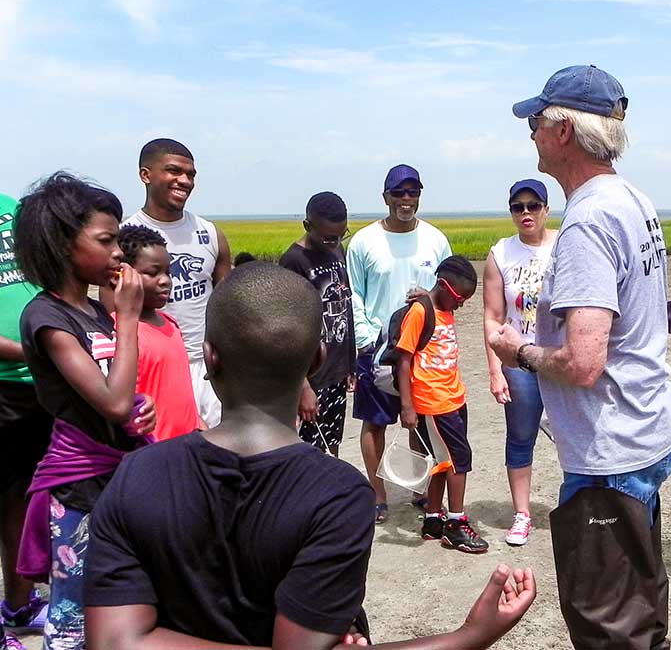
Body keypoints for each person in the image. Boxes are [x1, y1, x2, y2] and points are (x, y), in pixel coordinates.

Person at [84, 261, 536, 650]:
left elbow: (115, 640)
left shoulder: (136, 475)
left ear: (210, 357)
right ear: (317, 361)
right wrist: (469, 636)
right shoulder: (337, 496)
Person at [490, 65, 671, 650]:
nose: (530, 132)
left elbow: (582, 363)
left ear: (564, 132)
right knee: (641, 595)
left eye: (537, 121)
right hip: (645, 426)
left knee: (606, 619)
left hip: (609, 452)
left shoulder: (588, 221)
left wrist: (515, 348)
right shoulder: (632, 198)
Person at [12, 173, 156, 650]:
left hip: (113, 478)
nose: (119, 251)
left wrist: (142, 407)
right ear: (61, 244)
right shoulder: (47, 318)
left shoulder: (94, 312)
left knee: (118, 597)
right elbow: (111, 403)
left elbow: (117, 394)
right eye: (106, 240)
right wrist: (129, 319)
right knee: (73, 615)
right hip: (77, 489)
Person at [347, 164, 451, 523]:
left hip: (423, 351)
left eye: (413, 193)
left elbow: (447, 290)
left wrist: (431, 297)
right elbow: (354, 295)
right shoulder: (363, 241)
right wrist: (364, 341)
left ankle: (419, 490)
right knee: (375, 423)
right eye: (398, 193)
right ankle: (378, 494)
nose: (406, 200)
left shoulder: (436, 239)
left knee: (420, 424)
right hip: (377, 349)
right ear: (386, 197)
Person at [122, 138, 232, 428]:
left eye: (191, 174)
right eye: (173, 171)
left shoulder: (209, 233)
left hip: (211, 367)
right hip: (159, 369)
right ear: (145, 175)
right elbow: (117, 319)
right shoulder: (126, 238)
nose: (184, 181)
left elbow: (230, 305)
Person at [394, 256, 489, 554]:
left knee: (441, 462)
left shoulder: (443, 307)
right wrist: (407, 406)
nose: (461, 305)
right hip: (433, 403)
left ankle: (434, 519)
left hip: (453, 397)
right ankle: (456, 525)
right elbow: (404, 359)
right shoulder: (420, 312)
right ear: (446, 286)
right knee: (460, 460)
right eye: (460, 298)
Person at [482, 179, 556, 546]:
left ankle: (579, 504)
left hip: (559, 357)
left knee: (574, 435)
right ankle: (522, 514)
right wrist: (496, 370)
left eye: (533, 205)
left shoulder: (565, 244)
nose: (525, 213)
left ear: (546, 208)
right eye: (517, 207)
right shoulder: (501, 253)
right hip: (518, 361)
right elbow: (493, 316)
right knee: (520, 436)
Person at [0, 193, 48, 649]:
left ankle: (18, 604)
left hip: (37, 385)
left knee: (23, 498)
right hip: (3, 382)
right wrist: (38, 348)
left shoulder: (10, 207)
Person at [279, 192, 356, 456]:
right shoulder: (293, 262)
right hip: (309, 376)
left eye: (340, 235)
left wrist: (349, 363)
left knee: (333, 444)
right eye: (327, 237)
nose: (334, 242)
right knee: (307, 449)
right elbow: (286, 329)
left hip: (336, 369)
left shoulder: (336, 250)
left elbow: (345, 308)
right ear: (307, 226)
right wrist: (303, 386)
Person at [117, 224, 205, 441]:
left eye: (168, 272)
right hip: (153, 449)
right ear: (122, 274)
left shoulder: (170, 323)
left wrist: (199, 423)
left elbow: (181, 389)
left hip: (187, 443)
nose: (165, 280)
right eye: (152, 273)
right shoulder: (121, 333)